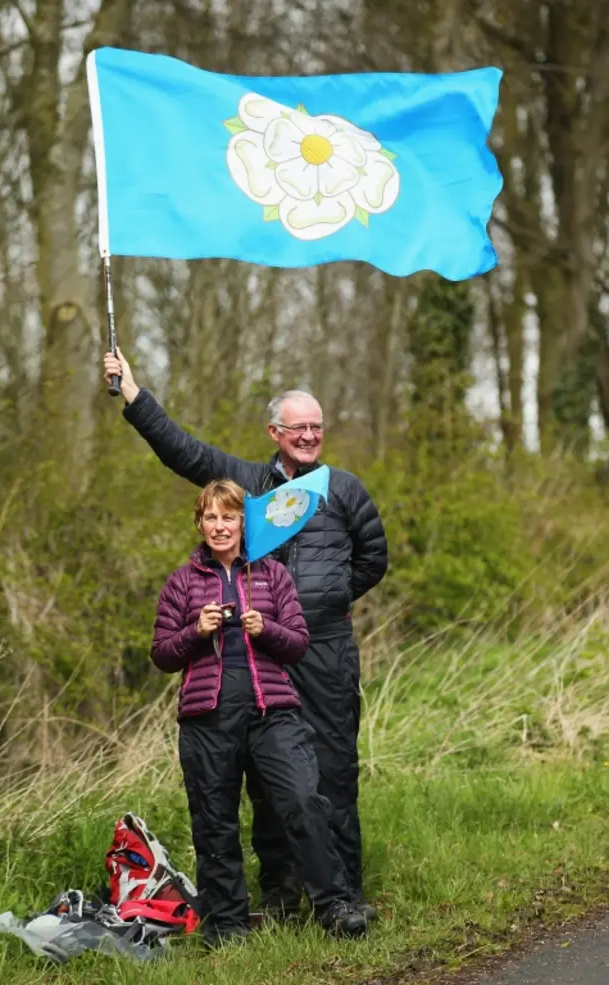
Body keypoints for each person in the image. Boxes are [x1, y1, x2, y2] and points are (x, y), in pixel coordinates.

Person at [104, 348, 388, 921]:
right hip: (261, 658)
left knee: (331, 772)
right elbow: (184, 452)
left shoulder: (346, 490)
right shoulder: (250, 487)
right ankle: (282, 896)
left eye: (316, 427)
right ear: (274, 432)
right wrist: (134, 396)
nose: (309, 436)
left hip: (325, 651)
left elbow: (372, 560)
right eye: (298, 427)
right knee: (268, 778)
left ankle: (342, 893)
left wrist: (323, 604)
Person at [152, 478, 366, 946]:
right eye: (211, 517)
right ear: (199, 523)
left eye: (229, 517)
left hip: (273, 712)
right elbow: (163, 654)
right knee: (214, 822)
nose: (220, 526)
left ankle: (333, 904)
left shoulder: (271, 575)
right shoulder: (182, 582)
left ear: (244, 523)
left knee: (304, 800)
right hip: (206, 720)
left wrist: (265, 627)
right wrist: (194, 630)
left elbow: (297, 645)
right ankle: (227, 927)